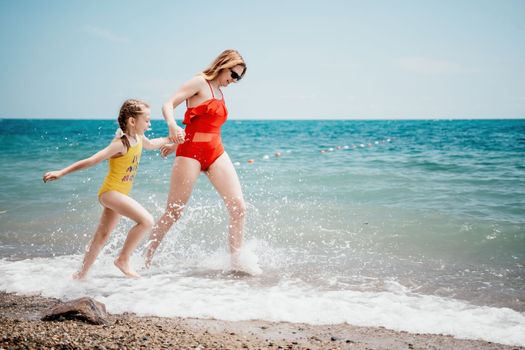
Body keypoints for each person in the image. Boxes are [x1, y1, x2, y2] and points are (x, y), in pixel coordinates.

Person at [43, 99, 170, 279]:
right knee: (147, 221)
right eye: (147, 120)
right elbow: (92, 160)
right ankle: (123, 259)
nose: (149, 124)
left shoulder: (139, 138)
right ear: (132, 121)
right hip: (110, 193)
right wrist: (62, 172)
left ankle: (80, 275)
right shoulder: (121, 144)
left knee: (101, 236)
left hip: (119, 194)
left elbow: (153, 144)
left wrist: (171, 139)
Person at [144, 49, 248, 270]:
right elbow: (168, 104)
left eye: (238, 78)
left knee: (238, 208)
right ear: (224, 65)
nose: (234, 80)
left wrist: (176, 142)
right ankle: (145, 260)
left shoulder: (220, 91)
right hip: (190, 153)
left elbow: (202, 126)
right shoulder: (200, 82)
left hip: (216, 151)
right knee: (174, 212)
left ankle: (237, 264)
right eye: (234, 74)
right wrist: (173, 127)